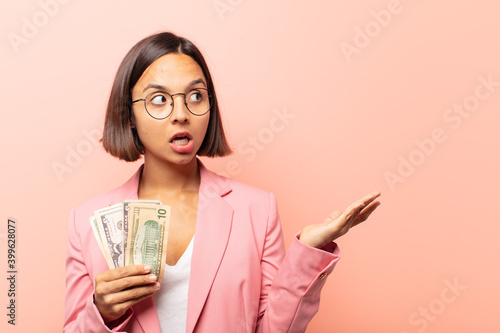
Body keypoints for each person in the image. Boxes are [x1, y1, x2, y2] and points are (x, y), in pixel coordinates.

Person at [63, 31, 381, 333]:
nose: (181, 113)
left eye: (196, 96)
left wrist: (307, 252)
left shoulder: (257, 210)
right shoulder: (85, 223)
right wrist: (101, 312)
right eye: (158, 99)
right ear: (129, 114)